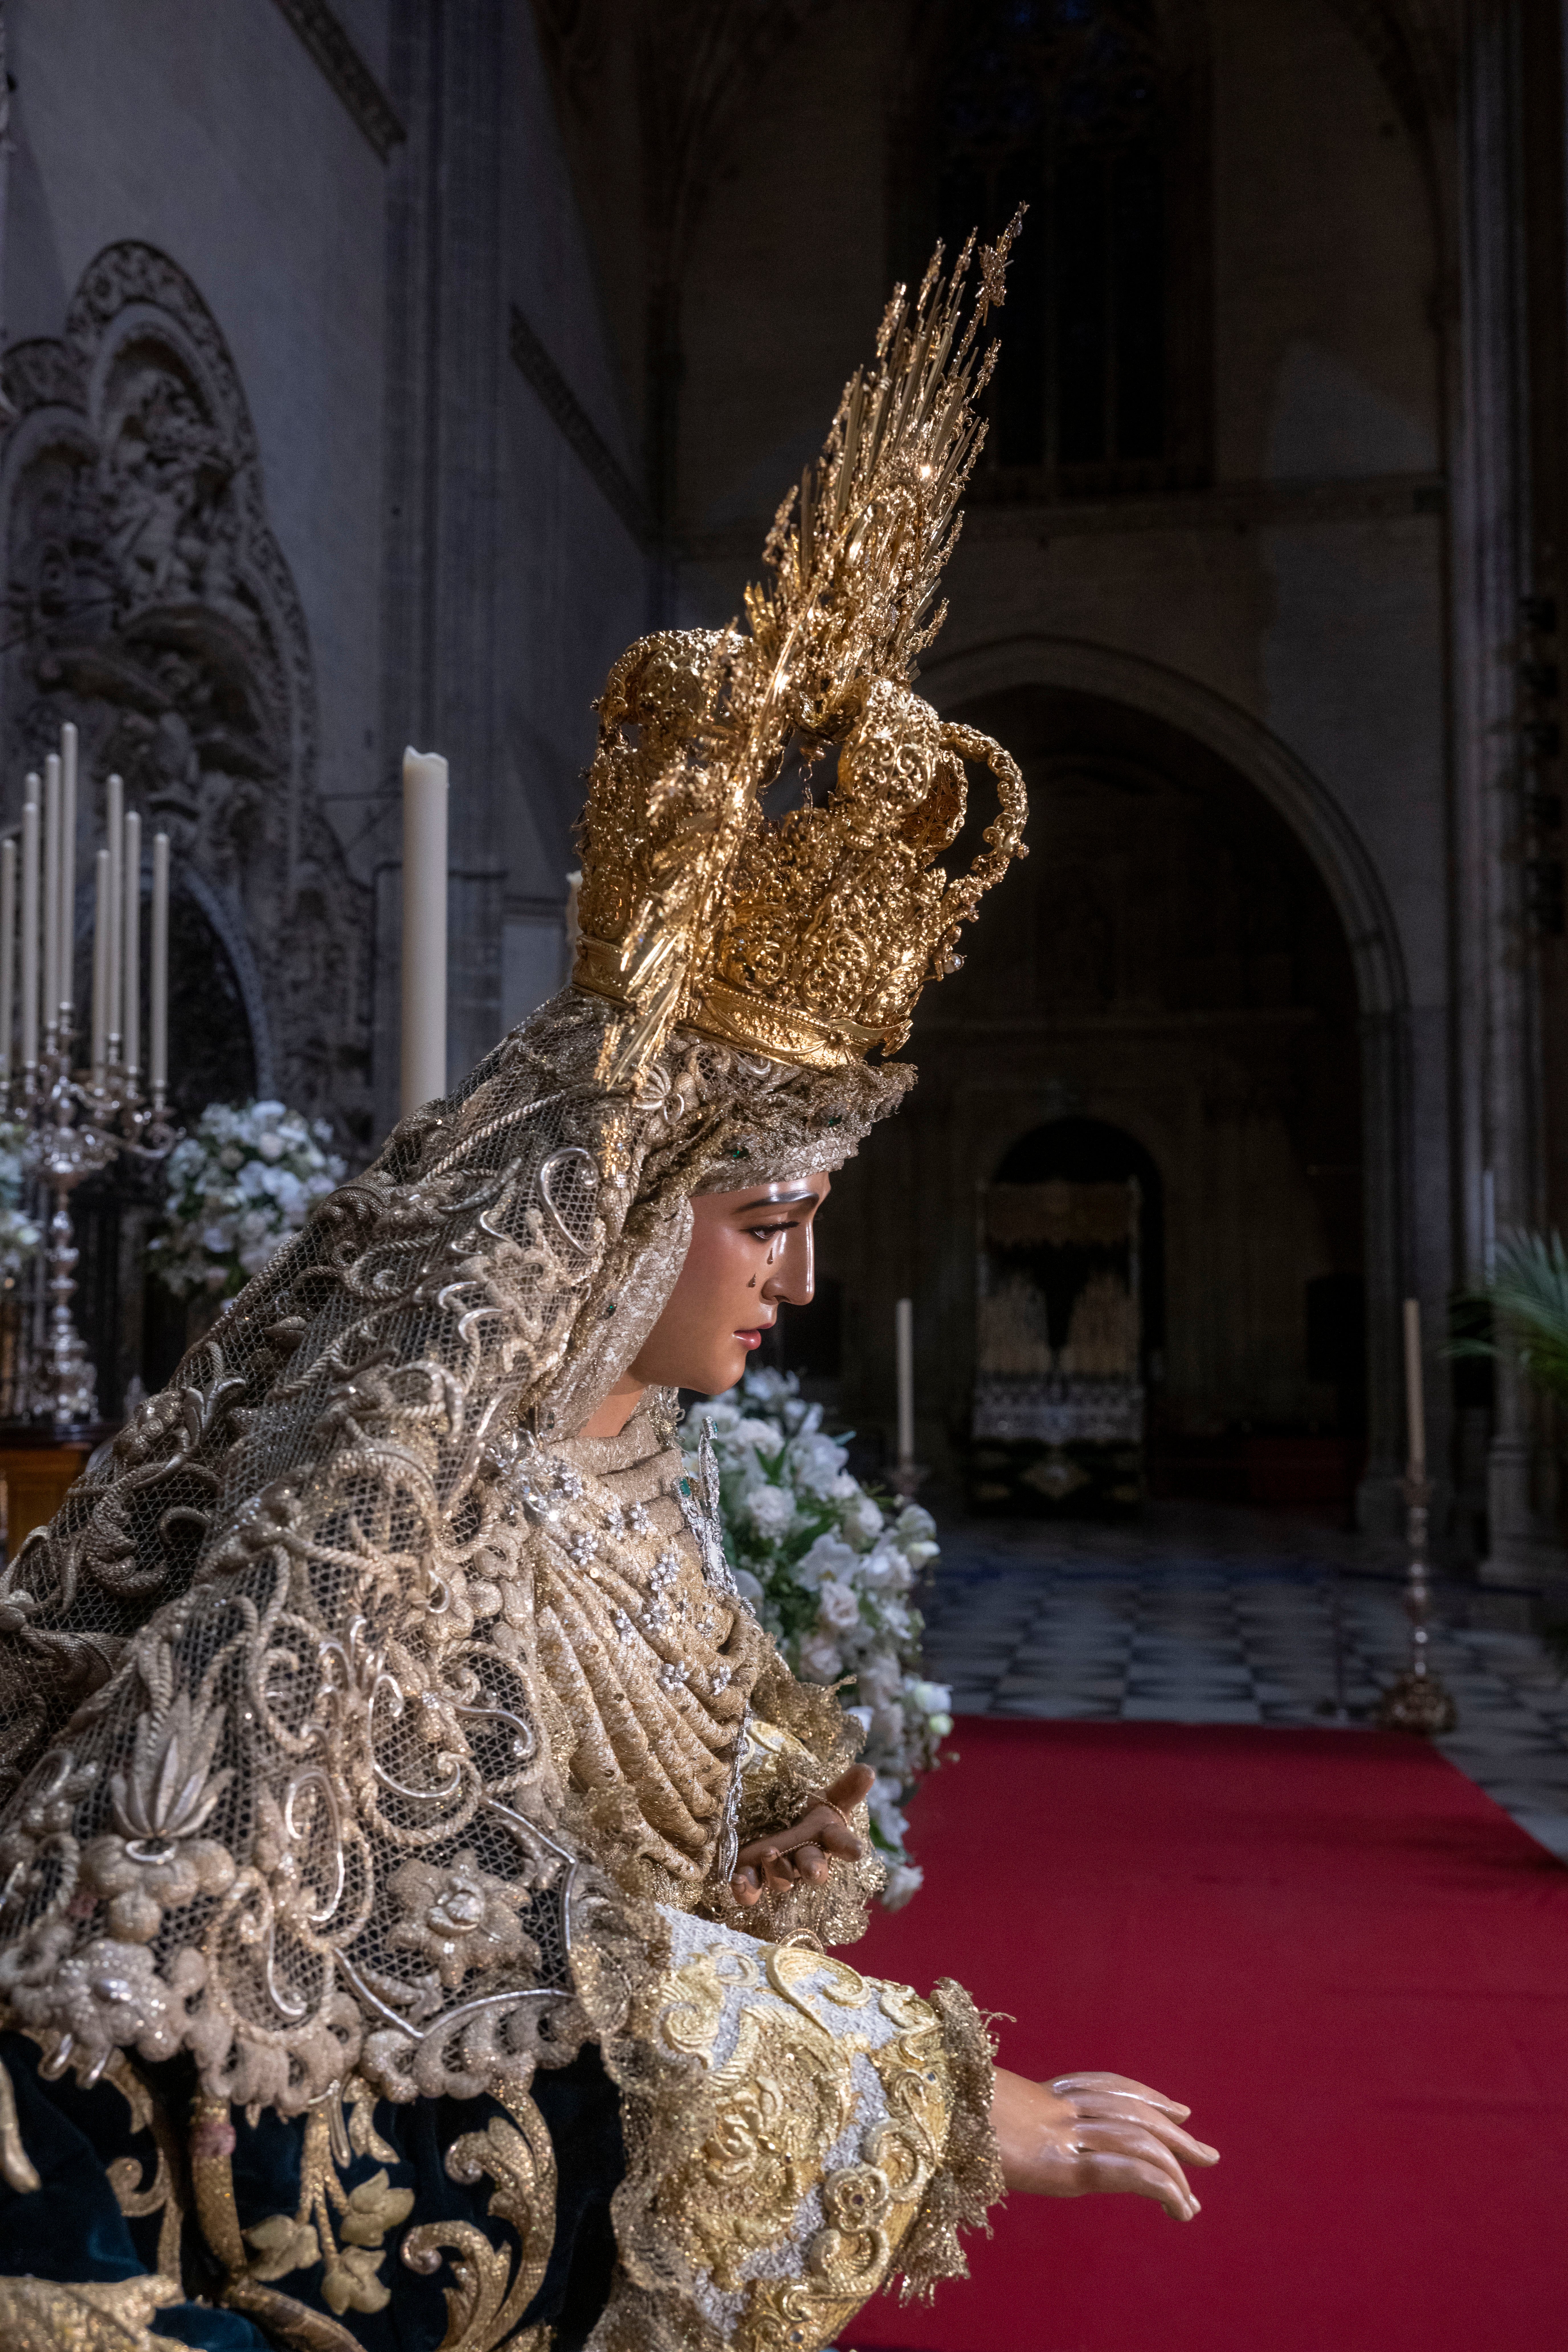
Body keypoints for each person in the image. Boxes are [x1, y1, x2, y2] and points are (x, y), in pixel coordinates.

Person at [0, 224, 1214, 2352]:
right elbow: (474, 2019)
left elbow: (712, 1835)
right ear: (625, 1212)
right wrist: (924, 2106)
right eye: (770, 1216)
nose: (803, 1278)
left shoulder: (641, 1479)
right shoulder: (402, 1525)